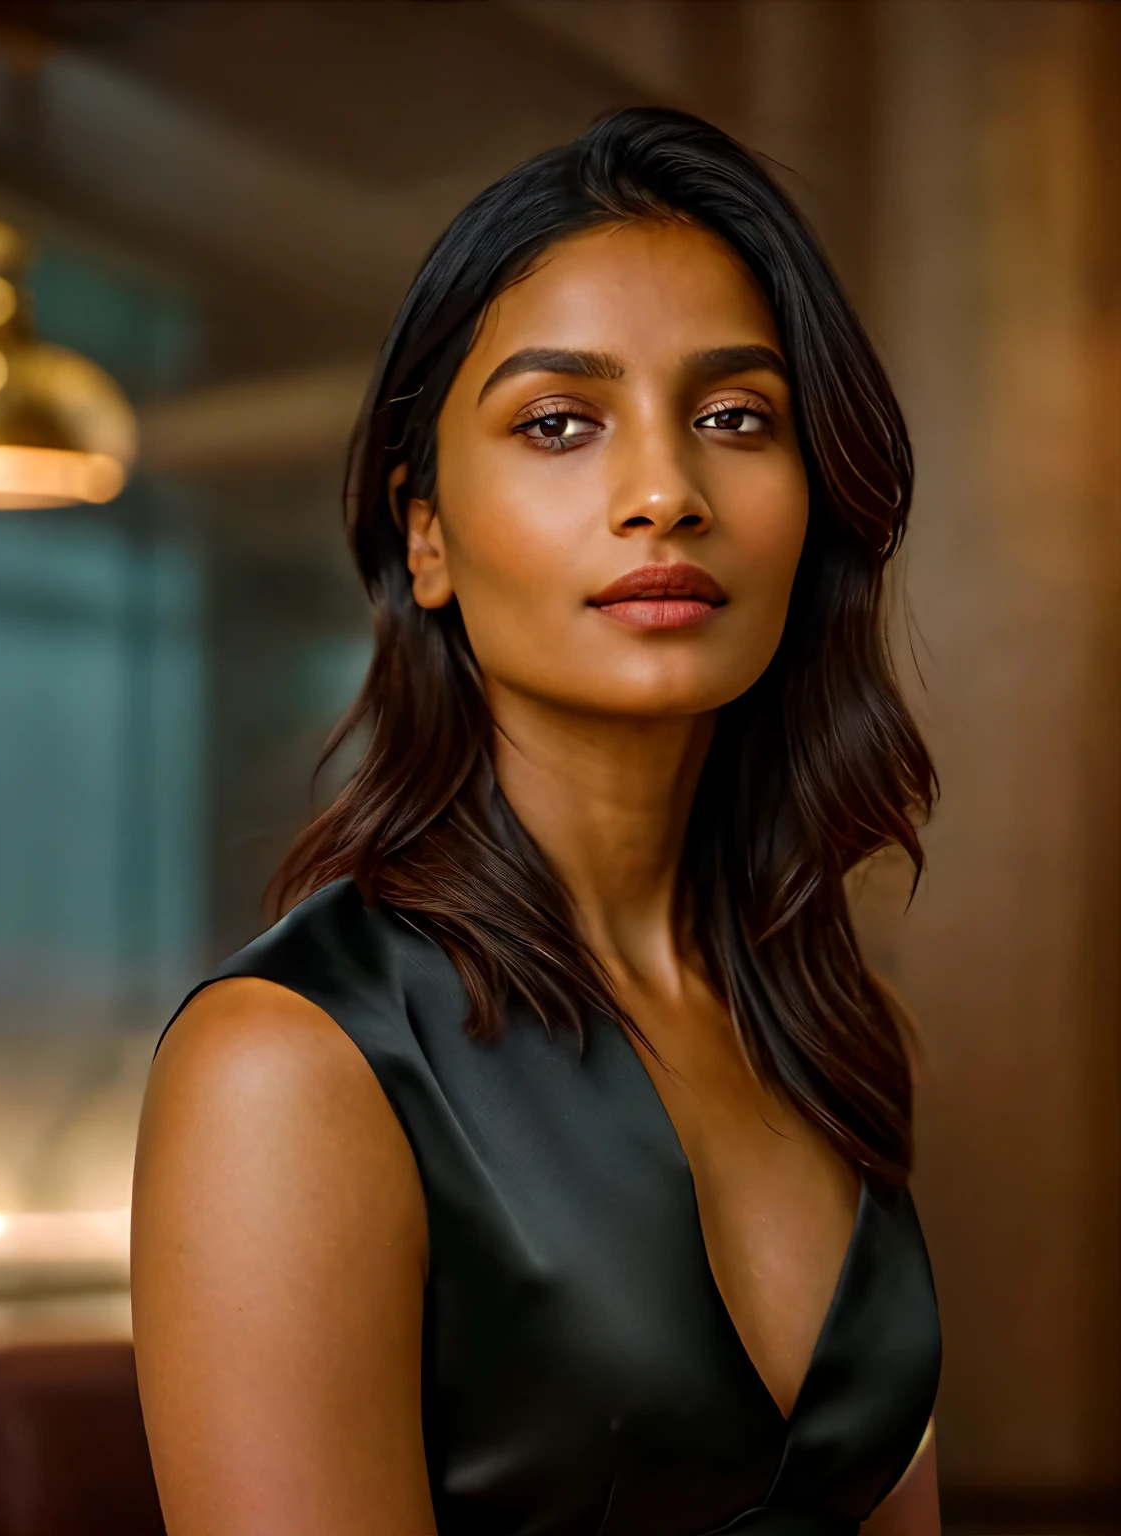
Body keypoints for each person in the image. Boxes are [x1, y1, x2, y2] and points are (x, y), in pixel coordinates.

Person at [131, 108, 941, 1536]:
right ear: (426, 535)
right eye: (560, 423)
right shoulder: (293, 1070)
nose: (663, 495)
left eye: (735, 417)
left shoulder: (817, 1013)